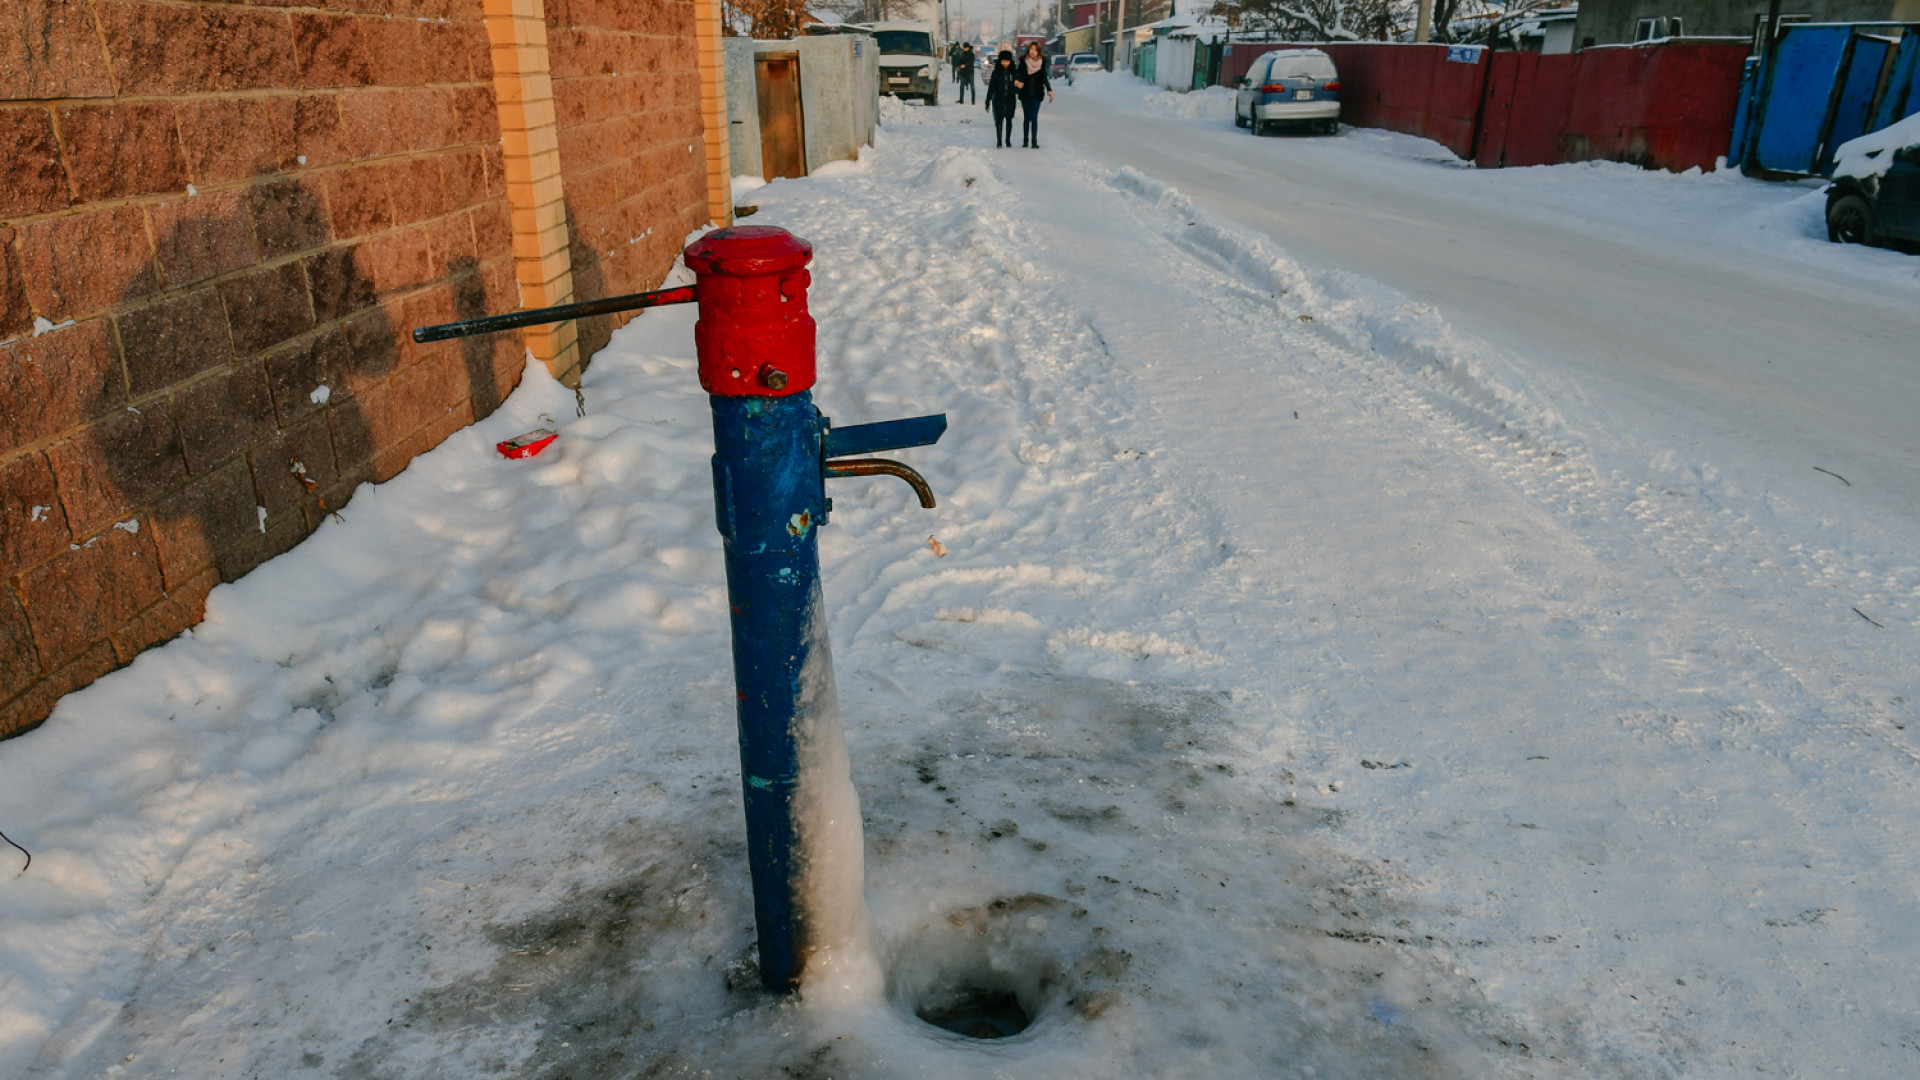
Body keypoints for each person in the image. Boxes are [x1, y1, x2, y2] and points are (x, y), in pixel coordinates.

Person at [1013, 41, 1054, 148]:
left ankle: (1034, 141)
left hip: (1037, 93)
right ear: (1028, 50)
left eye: (1035, 50)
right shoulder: (1023, 61)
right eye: (1031, 49)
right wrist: (1017, 82)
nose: (1032, 52)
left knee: (1034, 117)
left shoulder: (1042, 61)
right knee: (1027, 117)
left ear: (1038, 52)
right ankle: (1025, 140)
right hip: (1025, 92)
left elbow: (1044, 77)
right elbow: (1017, 74)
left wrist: (1049, 90)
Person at [984, 49, 1018, 148]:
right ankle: (999, 140)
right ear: (1000, 61)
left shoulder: (1014, 72)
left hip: (1010, 99)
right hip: (999, 98)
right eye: (1003, 61)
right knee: (999, 119)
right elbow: (991, 87)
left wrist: (1016, 90)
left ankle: (1008, 140)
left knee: (1009, 119)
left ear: (1010, 61)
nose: (1005, 63)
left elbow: (1020, 85)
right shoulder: (996, 73)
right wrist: (988, 100)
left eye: (1007, 61)